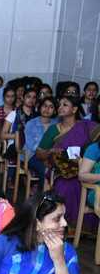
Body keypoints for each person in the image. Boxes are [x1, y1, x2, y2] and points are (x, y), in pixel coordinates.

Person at [36, 95, 100, 224]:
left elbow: (96, 143)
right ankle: (66, 223)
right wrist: (51, 151)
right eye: (59, 105)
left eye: (65, 105)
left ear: (74, 109)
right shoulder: (54, 129)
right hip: (63, 170)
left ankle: (85, 224)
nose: (60, 107)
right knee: (67, 186)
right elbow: (39, 154)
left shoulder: (85, 126)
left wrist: (83, 159)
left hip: (86, 167)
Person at [22, 97, 57, 186]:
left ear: (55, 111)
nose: (47, 109)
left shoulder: (56, 124)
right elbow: (31, 145)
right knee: (45, 168)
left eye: (51, 107)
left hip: (51, 155)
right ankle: (43, 192)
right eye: (45, 106)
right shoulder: (31, 123)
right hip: (32, 155)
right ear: (39, 108)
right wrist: (46, 152)